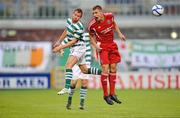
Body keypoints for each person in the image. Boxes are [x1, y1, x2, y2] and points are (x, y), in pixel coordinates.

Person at [53, 8, 101, 95]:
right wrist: (59, 41)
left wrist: (60, 47)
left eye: (78, 16)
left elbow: (73, 41)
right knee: (85, 70)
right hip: (74, 49)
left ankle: (67, 88)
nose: (76, 17)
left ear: (80, 18)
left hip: (79, 48)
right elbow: (66, 31)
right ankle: (104, 73)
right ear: (72, 14)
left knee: (68, 65)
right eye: (75, 15)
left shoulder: (80, 27)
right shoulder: (68, 21)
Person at [88, 5, 126, 105]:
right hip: (102, 46)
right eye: (93, 13)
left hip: (112, 44)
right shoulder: (92, 25)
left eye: (96, 13)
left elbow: (114, 23)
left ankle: (112, 94)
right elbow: (90, 36)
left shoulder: (109, 16)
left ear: (101, 12)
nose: (94, 15)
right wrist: (95, 45)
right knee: (105, 68)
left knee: (113, 68)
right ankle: (106, 95)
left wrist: (120, 33)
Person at [61, 33, 91, 110]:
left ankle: (82, 103)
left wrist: (96, 52)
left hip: (86, 61)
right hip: (76, 61)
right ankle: (69, 99)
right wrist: (61, 49)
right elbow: (63, 42)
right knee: (73, 83)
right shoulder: (72, 36)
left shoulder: (88, 35)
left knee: (84, 83)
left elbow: (95, 41)